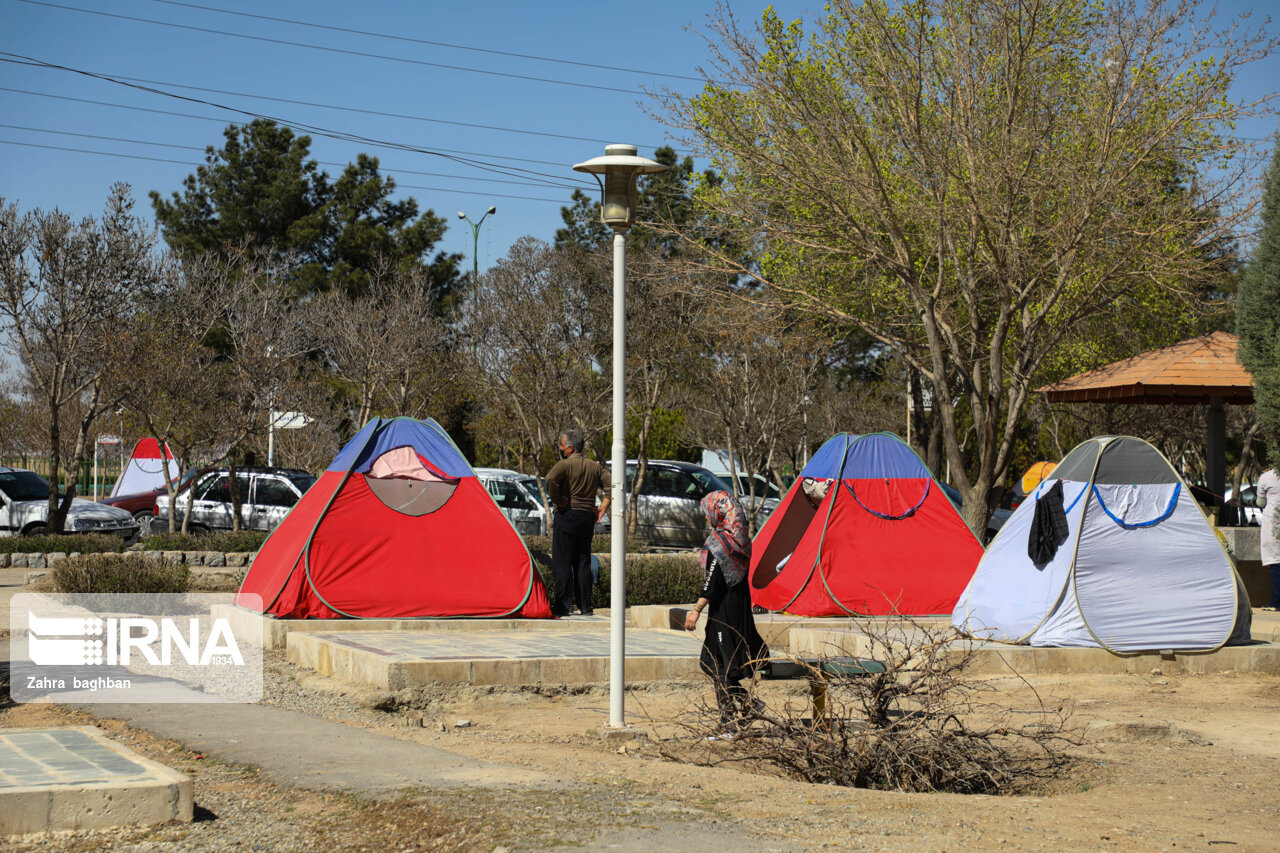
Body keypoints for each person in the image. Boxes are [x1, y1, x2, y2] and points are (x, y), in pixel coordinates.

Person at [685, 489, 769, 731]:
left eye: (707, 511)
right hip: (738, 609)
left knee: (718, 666)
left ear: (718, 512)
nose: (705, 516)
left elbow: (712, 581)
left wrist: (696, 610)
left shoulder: (719, 544)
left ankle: (728, 722)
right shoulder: (740, 541)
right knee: (715, 664)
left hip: (723, 613)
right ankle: (749, 706)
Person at [545, 429, 610, 617]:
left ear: (571, 448)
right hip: (587, 518)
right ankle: (585, 607)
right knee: (582, 561)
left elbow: (550, 478)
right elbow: (610, 485)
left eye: (562, 445)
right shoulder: (595, 467)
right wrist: (603, 507)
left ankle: (563, 606)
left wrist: (558, 500)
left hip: (567, 515)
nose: (560, 448)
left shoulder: (565, 465)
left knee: (562, 562)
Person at [1259, 464, 1280, 611]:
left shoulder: (1266, 477)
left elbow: (1261, 502)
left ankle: (1276, 601)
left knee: (1276, 562)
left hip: (1273, 522)